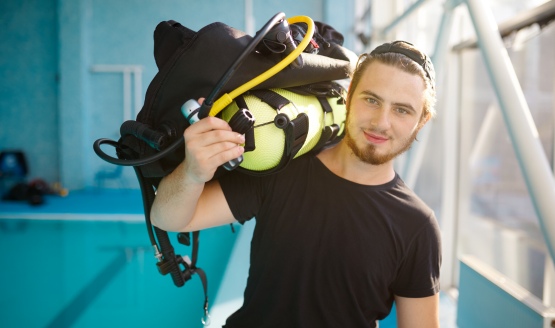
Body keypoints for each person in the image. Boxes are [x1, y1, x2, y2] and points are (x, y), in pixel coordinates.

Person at [151, 40, 442, 328]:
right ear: (350, 93)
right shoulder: (283, 169)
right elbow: (169, 218)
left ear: (422, 120)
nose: (382, 122)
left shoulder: (417, 226)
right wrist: (192, 172)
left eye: (402, 110)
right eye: (372, 100)